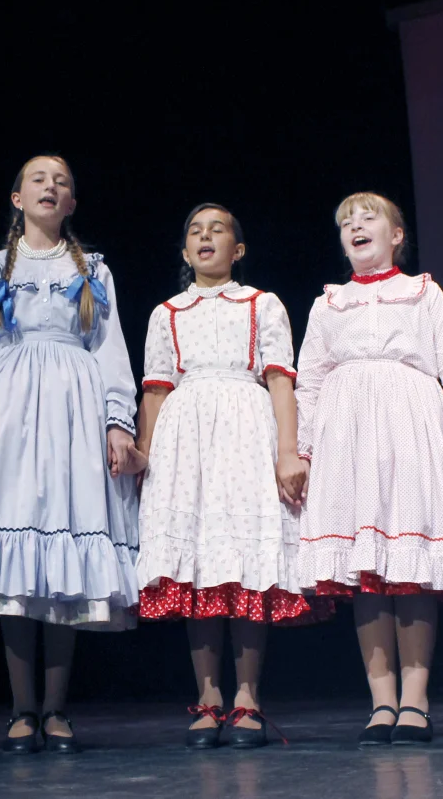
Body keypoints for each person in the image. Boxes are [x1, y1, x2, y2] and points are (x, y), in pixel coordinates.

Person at [0, 155, 143, 754]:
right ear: (17, 198)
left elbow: (110, 349)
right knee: (15, 559)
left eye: (61, 182)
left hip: (73, 409)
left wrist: (117, 422)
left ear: (71, 203)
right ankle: (21, 707)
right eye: (38, 179)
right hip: (5, 411)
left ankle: (56, 708)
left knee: (64, 549)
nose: (50, 187)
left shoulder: (94, 269)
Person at [295, 192, 443, 746]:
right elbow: (309, 382)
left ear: (396, 235)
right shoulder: (328, 305)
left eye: (369, 218)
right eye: (347, 222)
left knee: (411, 564)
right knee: (368, 571)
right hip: (347, 436)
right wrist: (301, 451)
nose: (356, 227)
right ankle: (382, 701)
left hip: (411, 425)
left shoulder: (423, 292)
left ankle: (416, 699)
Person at [137, 203, 310, 749]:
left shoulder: (262, 304)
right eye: (195, 231)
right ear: (185, 250)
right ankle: (208, 697)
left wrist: (288, 452)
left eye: (217, 230)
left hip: (245, 435)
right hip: (185, 444)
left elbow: (280, 382)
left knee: (244, 561)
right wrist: (145, 457)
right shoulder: (167, 313)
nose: (205, 237)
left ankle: (248, 697)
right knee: (199, 565)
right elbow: (155, 392)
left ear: (238, 250)